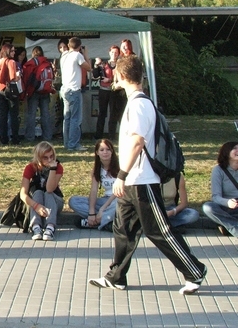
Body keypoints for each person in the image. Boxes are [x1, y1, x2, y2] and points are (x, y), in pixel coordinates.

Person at [88, 55, 207, 295]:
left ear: (121, 77)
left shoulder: (139, 104)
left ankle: (194, 270)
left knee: (158, 230)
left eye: (116, 76)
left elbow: (137, 142)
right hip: (133, 181)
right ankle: (116, 277)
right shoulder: (136, 102)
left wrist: (121, 175)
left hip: (142, 179)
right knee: (123, 229)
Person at [69, 139, 119, 231]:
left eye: (108, 149)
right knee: (74, 201)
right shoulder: (97, 170)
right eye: (102, 150)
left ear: (112, 151)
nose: (105, 152)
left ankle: (99, 223)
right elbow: (94, 191)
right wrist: (91, 212)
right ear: (97, 152)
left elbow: (118, 192)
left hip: (118, 199)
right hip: (106, 200)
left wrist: (102, 209)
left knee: (119, 203)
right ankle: (106, 220)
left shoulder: (121, 166)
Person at [19, 141, 64, 241]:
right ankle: (36, 227)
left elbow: (50, 188)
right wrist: (36, 206)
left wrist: (52, 169)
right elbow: (23, 194)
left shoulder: (58, 167)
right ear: (38, 157)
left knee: (47, 193)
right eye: (45, 157)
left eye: (51, 156)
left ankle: (50, 227)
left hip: (55, 201)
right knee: (38, 192)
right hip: (37, 201)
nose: (49, 159)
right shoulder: (30, 167)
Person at [59, 37, 90, 151]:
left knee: (67, 118)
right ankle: (73, 144)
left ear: (68, 45)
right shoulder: (77, 55)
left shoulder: (64, 56)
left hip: (65, 89)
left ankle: (67, 143)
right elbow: (89, 67)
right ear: (79, 47)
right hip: (74, 90)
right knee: (75, 119)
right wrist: (85, 54)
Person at [202, 141, 238, 238]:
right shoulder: (218, 170)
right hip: (227, 207)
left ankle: (226, 225)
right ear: (226, 152)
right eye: (235, 148)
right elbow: (216, 197)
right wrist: (228, 202)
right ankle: (234, 228)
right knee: (208, 207)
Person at [23, 46, 54, 142]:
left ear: (33, 53)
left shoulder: (31, 63)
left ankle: (30, 137)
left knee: (31, 114)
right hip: (45, 91)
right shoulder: (47, 63)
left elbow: (26, 78)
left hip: (34, 91)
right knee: (45, 114)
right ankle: (47, 136)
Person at [0, 43, 20, 145]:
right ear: (8, 51)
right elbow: (13, 77)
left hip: (1, 90)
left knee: (2, 116)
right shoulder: (11, 62)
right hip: (11, 90)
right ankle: (15, 139)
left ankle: (3, 139)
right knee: (14, 115)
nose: (14, 53)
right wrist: (19, 77)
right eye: (12, 51)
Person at [92, 45, 120, 139]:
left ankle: (111, 135)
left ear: (118, 54)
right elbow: (95, 75)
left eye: (116, 53)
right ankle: (98, 135)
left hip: (114, 91)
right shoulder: (104, 64)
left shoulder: (120, 65)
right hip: (103, 91)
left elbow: (121, 79)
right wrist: (96, 64)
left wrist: (110, 80)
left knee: (113, 114)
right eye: (112, 52)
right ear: (109, 53)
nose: (114, 54)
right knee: (102, 113)